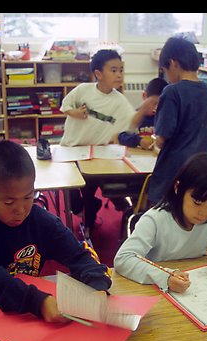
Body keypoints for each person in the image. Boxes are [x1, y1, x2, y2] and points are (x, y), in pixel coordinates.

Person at [0, 140, 112, 323]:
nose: (21, 210)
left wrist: (98, 287)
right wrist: (39, 302)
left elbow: (81, 256)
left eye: (28, 197)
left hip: (21, 314)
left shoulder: (41, 221)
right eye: (9, 202)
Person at [114, 152, 207, 293]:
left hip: (197, 287)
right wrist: (165, 277)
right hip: (158, 290)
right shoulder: (155, 220)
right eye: (197, 202)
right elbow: (123, 259)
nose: (204, 213)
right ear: (178, 188)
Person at [60, 49, 157, 232]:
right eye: (113, 70)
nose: (119, 74)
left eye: (121, 70)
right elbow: (65, 106)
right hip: (71, 148)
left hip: (95, 155)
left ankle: (88, 225)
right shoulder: (83, 90)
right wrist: (75, 113)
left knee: (89, 188)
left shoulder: (119, 101)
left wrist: (144, 108)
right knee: (70, 190)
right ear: (98, 74)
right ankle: (85, 209)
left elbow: (131, 122)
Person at [147, 36, 207, 205]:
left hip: (174, 173)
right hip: (201, 172)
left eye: (165, 70)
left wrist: (155, 141)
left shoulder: (171, 91)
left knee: (164, 219)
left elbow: (163, 137)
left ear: (173, 63)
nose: (167, 76)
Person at [118, 77, 168, 150]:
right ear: (144, 96)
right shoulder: (135, 116)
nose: (156, 108)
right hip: (137, 156)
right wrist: (139, 141)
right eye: (154, 103)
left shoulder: (164, 119)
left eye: (161, 105)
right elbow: (122, 136)